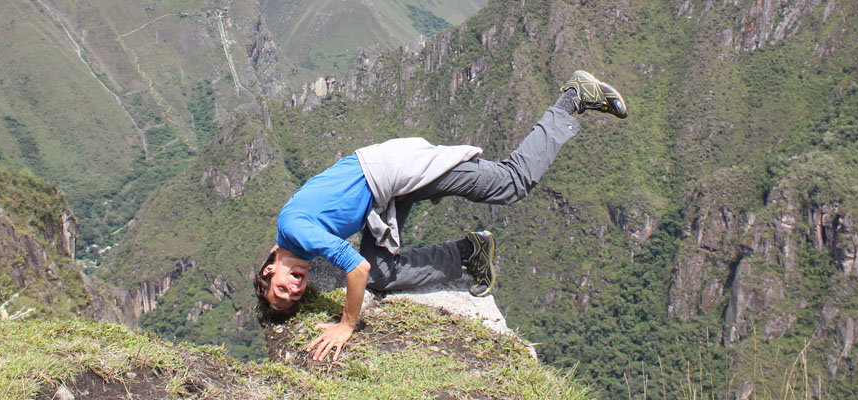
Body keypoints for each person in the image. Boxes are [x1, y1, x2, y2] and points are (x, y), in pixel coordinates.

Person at [252, 70, 628, 361]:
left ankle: (573, 98)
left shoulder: (296, 232)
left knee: (512, 183)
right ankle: (469, 254)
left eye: (282, 288)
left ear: (269, 271)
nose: (296, 289)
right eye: (294, 297)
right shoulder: (290, 239)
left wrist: (346, 325)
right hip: (382, 192)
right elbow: (334, 256)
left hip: (396, 171)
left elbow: (356, 271)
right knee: (382, 274)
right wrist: (286, 259)